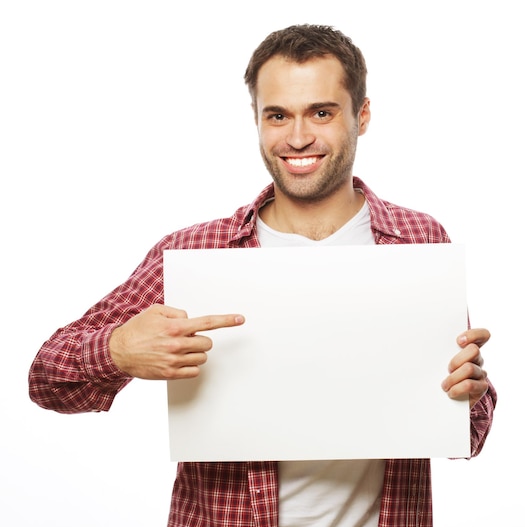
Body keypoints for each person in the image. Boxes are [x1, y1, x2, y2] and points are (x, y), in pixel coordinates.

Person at [29, 24, 496, 527]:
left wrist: (469, 394)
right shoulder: (196, 251)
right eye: (278, 115)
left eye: (322, 112)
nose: (298, 137)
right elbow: (45, 378)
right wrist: (118, 349)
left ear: (361, 116)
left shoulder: (419, 239)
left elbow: (468, 434)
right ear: (256, 120)